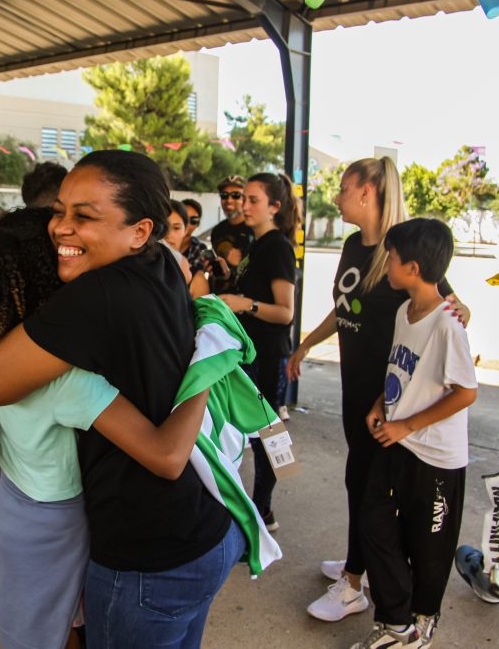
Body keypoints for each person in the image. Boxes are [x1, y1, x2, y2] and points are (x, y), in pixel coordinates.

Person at [0, 150, 244, 647]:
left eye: (85, 216)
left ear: (140, 229)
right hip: (210, 529)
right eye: (60, 210)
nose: (63, 228)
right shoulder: (162, 261)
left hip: (150, 559)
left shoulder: (89, 299)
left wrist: (208, 368)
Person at [286, 157, 470, 623]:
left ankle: (353, 584)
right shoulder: (353, 245)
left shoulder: (403, 251)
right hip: (356, 393)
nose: (338, 196)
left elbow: (447, 307)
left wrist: (461, 309)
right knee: (358, 482)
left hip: (386, 401)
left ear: (368, 192)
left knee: (368, 490)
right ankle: (357, 563)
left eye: (344, 187)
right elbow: (344, 309)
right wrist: (305, 344)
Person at [353, 218, 477, 649]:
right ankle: (395, 619)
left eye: (392, 257)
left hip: (436, 458)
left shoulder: (448, 323)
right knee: (374, 525)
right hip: (397, 442)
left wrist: (407, 424)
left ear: (415, 267)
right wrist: (379, 406)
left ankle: (418, 623)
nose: (386, 263)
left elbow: (466, 392)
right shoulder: (405, 311)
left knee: (430, 549)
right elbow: (398, 368)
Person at [217, 173, 298, 534]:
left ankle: (262, 511)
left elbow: (285, 312)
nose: (243, 206)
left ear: (274, 207)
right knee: (252, 433)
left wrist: (242, 303)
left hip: (267, 355)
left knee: (268, 436)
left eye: (252, 200)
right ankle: (255, 508)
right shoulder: (257, 243)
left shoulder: (277, 246)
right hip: (250, 352)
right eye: (242, 199)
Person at [164, 199, 209, 298]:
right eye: (164, 226)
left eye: (176, 228)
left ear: (185, 230)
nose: (168, 234)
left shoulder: (197, 279)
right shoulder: (139, 267)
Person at [209, 175, 253, 273]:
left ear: (245, 199)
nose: (229, 200)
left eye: (236, 195)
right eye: (224, 195)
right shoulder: (217, 230)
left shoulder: (254, 229)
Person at [180, 197, 209, 276]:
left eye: (193, 220)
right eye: (184, 218)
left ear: (198, 224)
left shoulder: (200, 249)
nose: (187, 224)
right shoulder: (161, 243)